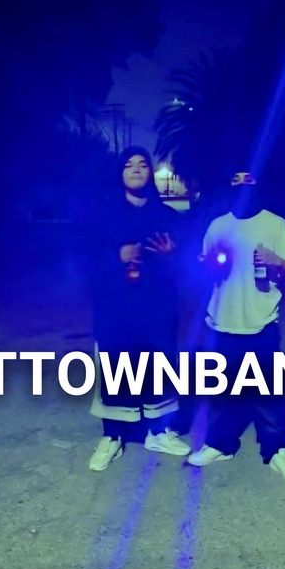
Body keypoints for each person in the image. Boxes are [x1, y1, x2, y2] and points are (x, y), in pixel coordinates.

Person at [187, 169, 285, 484]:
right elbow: (203, 272)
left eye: (249, 184)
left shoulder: (275, 224)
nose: (243, 190)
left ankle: (278, 451)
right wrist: (207, 266)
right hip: (221, 321)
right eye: (237, 185)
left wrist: (276, 261)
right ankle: (219, 445)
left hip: (261, 322)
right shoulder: (218, 226)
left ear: (257, 188)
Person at [88, 147, 190, 471]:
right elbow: (83, 260)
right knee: (117, 366)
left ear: (150, 173)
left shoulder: (167, 216)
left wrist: (172, 254)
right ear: (120, 173)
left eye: (143, 164)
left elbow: (187, 265)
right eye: (129, 165)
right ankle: (112, 436)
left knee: (158, 365)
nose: (136, 169)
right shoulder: (102, 216)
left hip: (156, 305)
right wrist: (115, 257)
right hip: (115, 305)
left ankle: (159, 432)